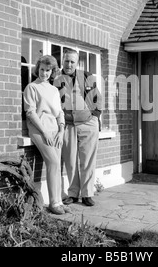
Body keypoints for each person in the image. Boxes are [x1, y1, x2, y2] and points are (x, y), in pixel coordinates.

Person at [54, 49, 102, 207]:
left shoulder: (87, 76)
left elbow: (97, 98)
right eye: (67, 61)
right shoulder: (55, 78)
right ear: (63, 60)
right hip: (68, 125)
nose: (69, 64)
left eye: (72, 62)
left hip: (88, 123)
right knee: (70, 160)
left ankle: (87, 194)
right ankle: (73, 193)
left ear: (77, 63)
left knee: (87, 160)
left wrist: (95, 116)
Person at [23, 55, 70, 215]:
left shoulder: (54, 90)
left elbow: (59, 113)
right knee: (54, 163)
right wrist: (44, 131)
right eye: (42, 69)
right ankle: (54, 203)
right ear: (38, 69)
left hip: (55, 129)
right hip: (39, 128)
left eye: (48, 70)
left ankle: (59, 201)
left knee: (57, 166)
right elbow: (30, 112)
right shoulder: (31, 87)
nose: (44, 73)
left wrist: (61, 130)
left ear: (52, 71)